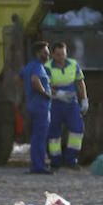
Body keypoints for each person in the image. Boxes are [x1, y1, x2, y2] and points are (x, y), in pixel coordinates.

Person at [47, 41, 88, 169]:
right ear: (53, 55)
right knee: (54, 134)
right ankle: (55, 161)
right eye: (58, 55)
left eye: (63, 54)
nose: (61, 58)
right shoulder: (47, 67)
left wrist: (84, 100)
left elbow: (80, 83)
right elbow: (45, 86)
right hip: (55, 103)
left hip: (71, 103)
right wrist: (58, 93)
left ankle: (71, 159)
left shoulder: (73, 64)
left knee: (77, 130)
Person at [21, 41, 52, 174]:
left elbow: (20, 77)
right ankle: (39, 166)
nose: (48, 55)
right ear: (38, 53)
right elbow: (35, 80)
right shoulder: (38, 66)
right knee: (40, 137)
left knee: (36, 137)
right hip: (40, 106)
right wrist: (44, 93)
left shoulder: (29, 66)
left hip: (32, 104)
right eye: (45, 52)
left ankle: (36, 164)